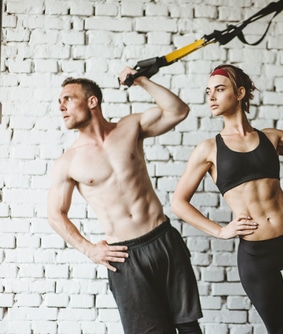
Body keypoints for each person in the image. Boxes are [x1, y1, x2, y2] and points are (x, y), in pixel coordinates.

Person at [171, 64, 283, 334]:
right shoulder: (208, 149)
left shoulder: (271, 138)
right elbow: (178, 202)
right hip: (257, 255)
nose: (211, 97)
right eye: (208, 92)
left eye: (219, 89)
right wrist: (220, 231)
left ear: (239, 93)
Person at [47, 67, 203, 334]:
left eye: (68, 99)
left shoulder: (129, 127)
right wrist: (89, 250)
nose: (61, 107)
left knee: (188, 327)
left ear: (92, 101)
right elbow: (55, 214)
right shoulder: (68, 162)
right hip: (124, 256)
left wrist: (142, 80)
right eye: (59, 102)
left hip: (163, 238)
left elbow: (178, 111)